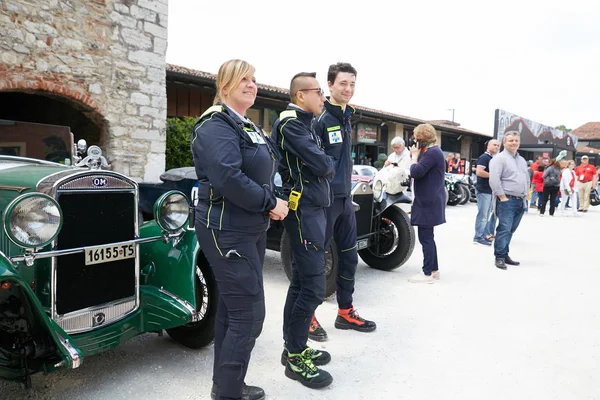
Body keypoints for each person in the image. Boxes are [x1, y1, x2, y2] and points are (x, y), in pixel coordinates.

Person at [191, 59, 288, 400]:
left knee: (234, 310)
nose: (251, 84)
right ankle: (228, 392)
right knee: (249, 314)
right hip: (226, 229)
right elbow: (227, 177)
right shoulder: (216, 124)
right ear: (225, 85)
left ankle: (227, 385)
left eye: (253, 79)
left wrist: (273, 199)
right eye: (243, 79)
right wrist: (269, 202)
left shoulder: (245, 124)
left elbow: (260, 169)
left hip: (248, 228)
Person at [271, 72, 334, 389]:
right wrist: (323, 160)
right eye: (319, 92)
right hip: (304, 211)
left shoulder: (303, 124)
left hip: (311, 209)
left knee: (301, 284)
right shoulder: (291, 124)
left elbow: (324, 161)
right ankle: (296, 357)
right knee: (311, 285)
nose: (323, 98)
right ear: (300, 95)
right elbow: (325, 165)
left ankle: (292, 348)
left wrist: (323, 159)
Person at [311, 62, 376, 340]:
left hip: (344, 201)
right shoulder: (322, 119)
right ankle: (307, 316)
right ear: (330, 85)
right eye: (342, 84)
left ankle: (345, 312)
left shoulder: (346, 118)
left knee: (349, 257)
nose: (348, 89)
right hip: (324, 203)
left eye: (352, 84)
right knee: (315, 260)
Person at [407, 123, 446, 283]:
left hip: (428, 202)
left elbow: (416, 172)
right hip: (431, 199)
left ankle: (427, 273)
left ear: (422, 139)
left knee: (426, 238)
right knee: (428, 237)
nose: (414, 142)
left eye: (416, 139)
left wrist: (414, 157)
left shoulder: (431, 153)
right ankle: (434, 270)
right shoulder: (434, 152)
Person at [489, 131, 529, 270]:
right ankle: (499, 257)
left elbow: (526, 178)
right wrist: (502, 197)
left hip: (520, 200)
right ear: (504, 143)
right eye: (510, 140)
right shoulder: (499, 159)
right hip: (507, 199)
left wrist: (526, 196)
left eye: (516, 140)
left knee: (511, 230)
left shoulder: (521, 160)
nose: (514, 143)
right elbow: (494, 179)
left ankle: (505, 254)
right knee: (504, 229)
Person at [472, 139, 500, 246]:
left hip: (490, 191)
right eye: (494, 145)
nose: (496, 147)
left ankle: (483, 236)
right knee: (483, 215)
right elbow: (479, 172)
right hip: (483, 190)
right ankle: (478, 237)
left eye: (498, 145)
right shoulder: (484, 158)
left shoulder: (493, 158)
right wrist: (494, 176)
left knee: (487, 215)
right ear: (488, 146)